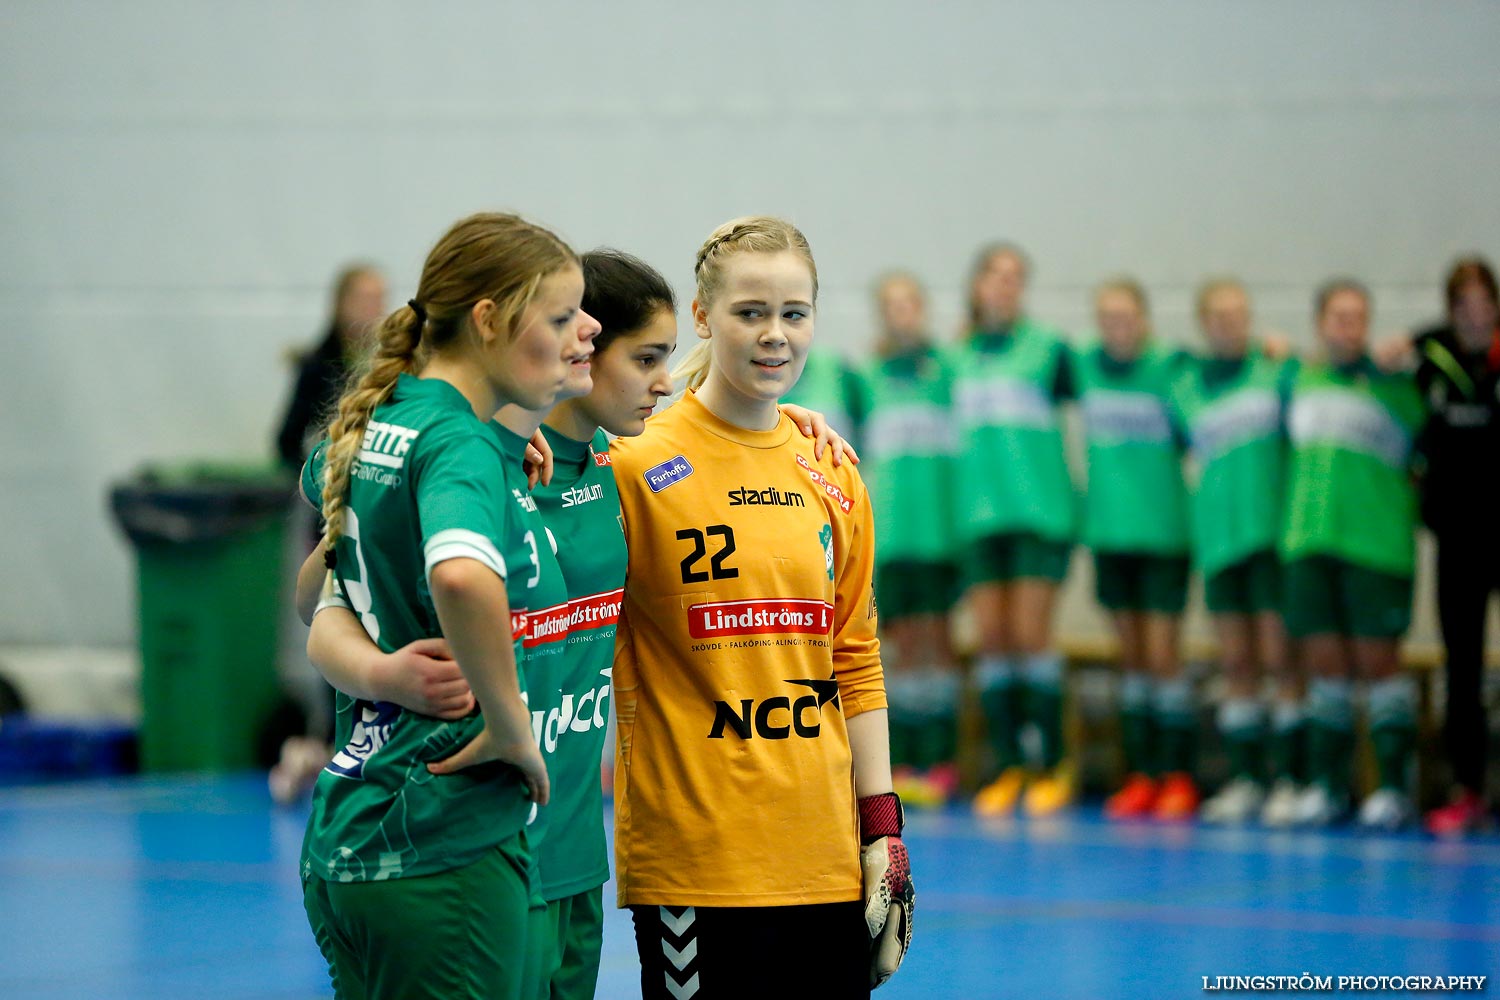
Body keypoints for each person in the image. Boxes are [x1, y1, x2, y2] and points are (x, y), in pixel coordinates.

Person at [299, 246, 857, 998]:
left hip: (569, 857)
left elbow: (705, 430)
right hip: (462, 833)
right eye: (638, 354)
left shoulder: (618, 464)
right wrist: (379, 672)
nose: (662, 378)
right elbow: (330, 591)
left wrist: (783, 420)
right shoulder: (471, 456)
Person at [610, 216, 913, 997]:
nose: (775, 335)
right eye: (750, 313)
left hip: (827, 857)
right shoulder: (632, 461)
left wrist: (882, 828)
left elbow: (856, 658)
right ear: (704, 317)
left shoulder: (832, 469)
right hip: (700, 863)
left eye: (795, 313)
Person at [296, 212, 587, 1000]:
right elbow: (460, 576)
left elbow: (315, 592)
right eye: (557, 318)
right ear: (488, 320)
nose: (574, 337)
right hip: (442, 842)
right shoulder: (454, 443)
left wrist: (379, 673)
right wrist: (509, 724)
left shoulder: (383, 427)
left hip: (352, 835)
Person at [1282, 279, 1425, 829]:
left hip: (1376, 545)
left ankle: (1391, 787)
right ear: (1319, 323)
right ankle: (1328, 785)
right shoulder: (1296, 379)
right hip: (1308, 539)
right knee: (1325, 667)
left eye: (1358, 316)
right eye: (1338, 316)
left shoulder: (1397, 387)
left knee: (1378, 664)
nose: (1349, 326)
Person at [1170, 278, 1302, 826]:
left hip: (1269, 536)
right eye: (1218, 316)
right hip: (1218, 541)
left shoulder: (1278, 371)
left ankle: (1291, 780)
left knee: (1280, 659)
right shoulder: (1184, 388)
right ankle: (1247, 779)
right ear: (1204, 323)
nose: (1230, 323)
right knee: (1238, 662)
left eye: (1238, 314)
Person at [955, 243, 1076, 818]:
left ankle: (1049, 764)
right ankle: (1006, 767)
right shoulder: (954, 358)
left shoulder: (1050, 350)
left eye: (1016, 278)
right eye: (995, 276)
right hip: (979, 519)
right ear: (977, 285)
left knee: (1030, 635)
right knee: (994, 639)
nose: (1005, 286)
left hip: (1039, 515)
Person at [1073, 279, 1197, 821]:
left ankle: (1178, 776)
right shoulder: (1081, 367)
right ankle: (1141, 776)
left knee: (1162, 656)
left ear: (1144, 320)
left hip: (1165, 534)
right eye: (1107, 317)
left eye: (1126, 316)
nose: (1117, 326)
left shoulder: (1172, 368)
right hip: (1110, 534)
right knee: (1131, 660)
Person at [854, 272, 961, 807]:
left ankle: (943, 759)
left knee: (938, 643)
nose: (902, 315)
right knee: (901, 649)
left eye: (909, 305)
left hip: (939, 534)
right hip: (890, 536)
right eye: (890, 306)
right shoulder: (866, 378)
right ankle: (908, 760)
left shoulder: (949, 371)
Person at [1411, 257, 1500, 835]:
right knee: (1460, 669)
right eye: (1462, 305)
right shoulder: (1432, 363)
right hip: (1458, 542)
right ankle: (1466, 787)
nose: (1474, 315)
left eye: (1483, 303)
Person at [275, 263, 388, 472]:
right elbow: (288, 441)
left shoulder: (392, 367)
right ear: (342, 304)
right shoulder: (317, 366)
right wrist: (314, 479)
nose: (374, 309)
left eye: (379, 300)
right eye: (365, 300)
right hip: (332, 481)